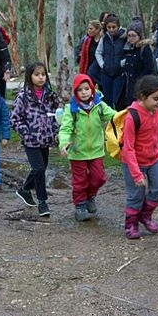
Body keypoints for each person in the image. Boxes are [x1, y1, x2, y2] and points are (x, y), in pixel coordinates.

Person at [57, 73, 117, 221]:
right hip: (77, 152)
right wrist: (64, 143)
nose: (84, 92)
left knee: (98, 177)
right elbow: (65, 128)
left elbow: (114, 116)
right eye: (80, 90)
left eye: (86, 89)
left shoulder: (99, 105)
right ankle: (80, 206)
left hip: (96, 150)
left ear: (92, 89)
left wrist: (130, 115)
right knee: (80, 180)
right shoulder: (71, 109)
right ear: (75, 92)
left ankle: (90, 196)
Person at [10, 62, 62, 217]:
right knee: (39, 168)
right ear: (30, 76)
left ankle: (25, 190)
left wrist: (56, 131)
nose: (41, 78)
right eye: (37, 74)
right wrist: (26, 132)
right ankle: (42, 201)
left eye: (43, 74)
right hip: (31, 141)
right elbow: (14, 119)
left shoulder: (51, 96)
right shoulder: (24, 97)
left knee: (41, 168)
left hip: (46, 139)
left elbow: (58, 115)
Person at [121, 75, 158, 239]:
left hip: (154, 158)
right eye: (156, 98)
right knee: (136, 194)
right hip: (134, 162)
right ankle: (131, 223)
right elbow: (128, 148)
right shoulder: (132, 117)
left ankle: (145, 215)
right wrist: (136, 173)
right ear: (142, 96)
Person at [95, 15, 127, 109]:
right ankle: (110, 119)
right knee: (107, 99)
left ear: (118, 26)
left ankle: (118, 118)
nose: (111, 29)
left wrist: (120, 64)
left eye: (114, 27)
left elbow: (128, 54)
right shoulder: (104, 37)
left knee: (117, 98)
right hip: (106, 73)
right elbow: (98, 52)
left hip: (119, 73)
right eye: (109, 27)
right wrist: (102, 64)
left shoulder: (124, 37)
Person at [122, 23, 155, 106]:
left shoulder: (145, 49)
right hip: (130, 84)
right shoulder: (131, 48)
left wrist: (139, 80)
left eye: (133, 35)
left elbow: (149, 68)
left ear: (139, 36)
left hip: (140, 85)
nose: (131, 38)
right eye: (129, 36)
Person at [78, 20, 103, 85]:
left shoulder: (103, 40)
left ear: (97, 30)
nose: (89, 30)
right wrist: (82, 72)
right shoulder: (87, 41)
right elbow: (83, 57)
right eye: (88, 28)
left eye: (91, 29)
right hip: (89, 70)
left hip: (101, 70)